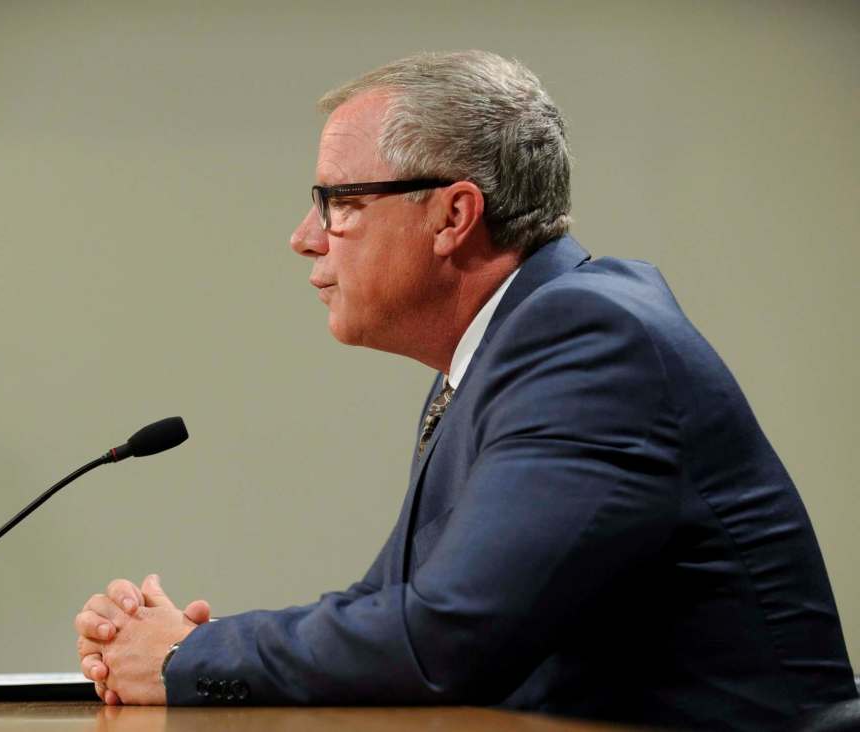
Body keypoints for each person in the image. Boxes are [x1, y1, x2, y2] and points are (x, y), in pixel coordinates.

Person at [73, 51, 857, 729]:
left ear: (453, 215)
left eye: (339, 202)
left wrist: (186, 657)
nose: (305, 236)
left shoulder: (587, 341)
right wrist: (178, 649)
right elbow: (392, 607)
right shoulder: (505, 347)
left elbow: (443, 639)